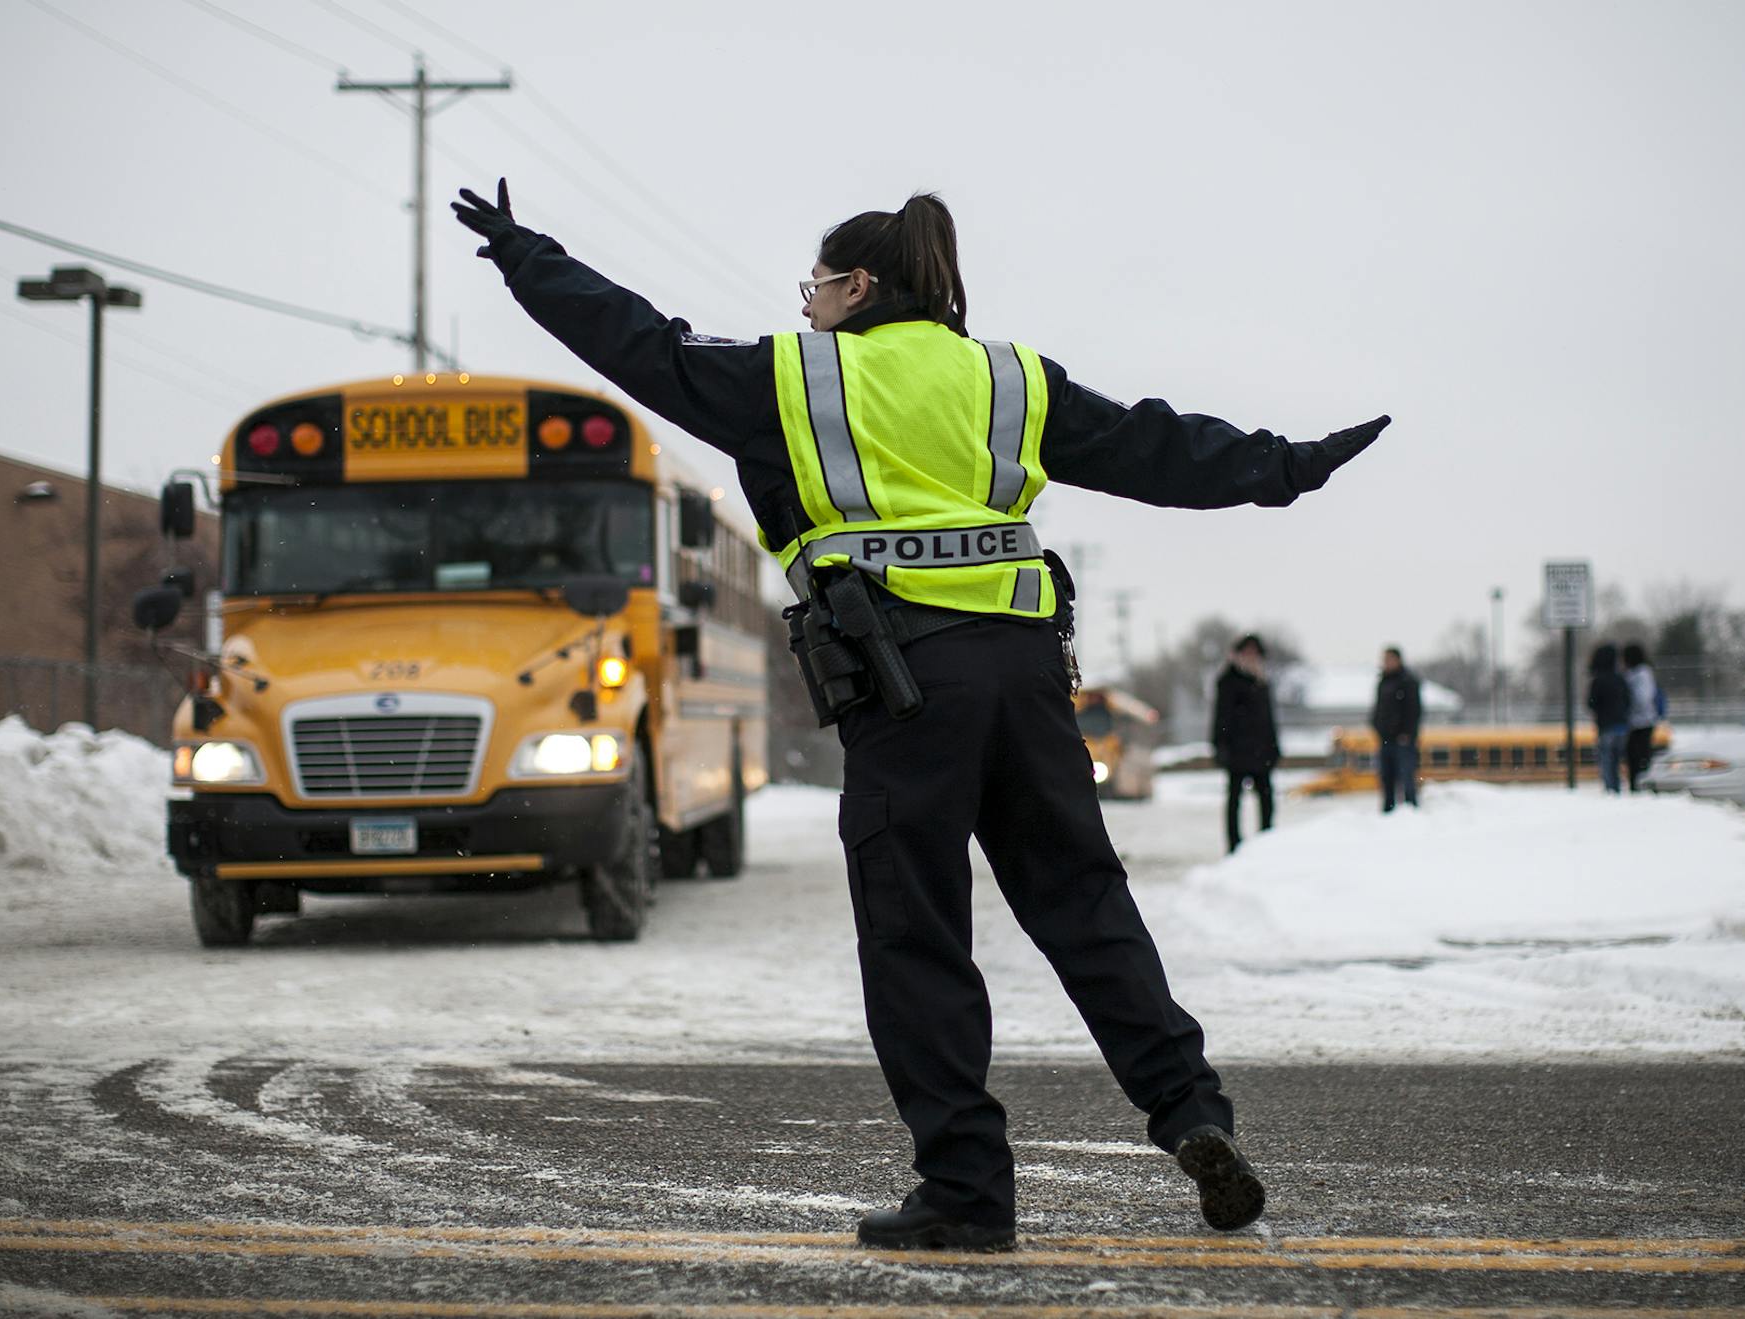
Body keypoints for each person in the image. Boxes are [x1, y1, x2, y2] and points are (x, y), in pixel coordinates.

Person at [452, 180, 1390, 1251]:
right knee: (1087, 907)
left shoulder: (797, 380)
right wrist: (1285, 465)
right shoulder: (1010, 377)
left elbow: (641, 347)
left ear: (858, 284)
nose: (804, 303)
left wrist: (529, 257)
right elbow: (1152, 446)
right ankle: (1191, 1114)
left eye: (815, 283)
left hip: (902, 686)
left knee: (918, 937)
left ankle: (966, 1188)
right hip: (1028, 677)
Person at [1211, 634, 1281, 853]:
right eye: (1246, 652)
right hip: (1237, 751)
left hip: (1261, 750)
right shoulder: (1228, 680)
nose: (1251, 657)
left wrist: (1274, 746)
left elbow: (1269, 718)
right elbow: (1220, 717)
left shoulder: (1262, 681)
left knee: (1267, 798)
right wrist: (1219, 745)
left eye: (1254, 652)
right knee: (1234, 801)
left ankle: (1267, 840)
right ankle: (1234, 846)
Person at [1371, 647, 1422, 812]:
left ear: (1398, 660)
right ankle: (1388, 812)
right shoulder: (1383, 682)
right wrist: (1377, 727)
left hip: (1403, 741)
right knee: (1387, 778)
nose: (1385, 663)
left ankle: (1411, 811)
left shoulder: (1408, 682)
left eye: (1389, 659)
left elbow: (1414, 710)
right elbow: (1378, 709)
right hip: (1385, 739)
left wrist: (1407, 733)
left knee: (1406, 777)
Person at [1588, 642, 1632, 794]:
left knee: (1606, 759)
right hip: (1622, 725)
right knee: (1618, 758)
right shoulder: (1620, 679)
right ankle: (1618, 786)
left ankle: (1611, 788)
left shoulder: (1598, 680)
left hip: (1606, 725)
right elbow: (1628, 700)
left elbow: (1592, 703)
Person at [1622, 642, 1664, 792]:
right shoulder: (1635, 673)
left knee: (1640, 754)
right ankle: (1637, 784)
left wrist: (1629, 703)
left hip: (1643, 720)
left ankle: (1642, 784)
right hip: (1636, 721)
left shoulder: (1642, 674)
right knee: (1634, 754)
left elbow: (1643, 697)